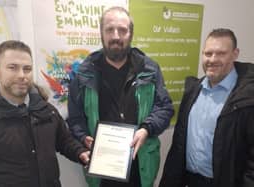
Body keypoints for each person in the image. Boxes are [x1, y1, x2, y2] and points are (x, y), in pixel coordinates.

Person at [67, 6, 174, 187]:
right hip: (102, 168)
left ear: (130, 34)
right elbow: (75, 118)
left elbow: (165, 108)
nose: (116, 36)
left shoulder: (149, 69)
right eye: (109, 29)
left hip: (140, 166)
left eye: (122, 30)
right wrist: (84, 136)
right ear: (101, 33)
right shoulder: (84, 73)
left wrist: (146, 129)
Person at [0, 40, 90, 187]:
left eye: (27, 68)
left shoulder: (47, 109)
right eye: (12, 68)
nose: (22, 75)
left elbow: (64, 140)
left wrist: (80, 153)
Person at [159, 28, 254, 187]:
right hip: (189, 180)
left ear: (235, 54)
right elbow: (179, 145)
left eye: (221, 53)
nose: (212, 59)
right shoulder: (192, 91)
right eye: (208, 53)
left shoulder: (247, 97)